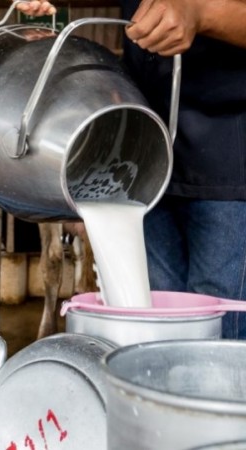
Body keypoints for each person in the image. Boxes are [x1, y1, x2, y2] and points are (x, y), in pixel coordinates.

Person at [14, 0, 246, 338]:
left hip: (229, 152)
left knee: (217, 328)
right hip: (139, 150)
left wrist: (202, 12)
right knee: (146, 318)